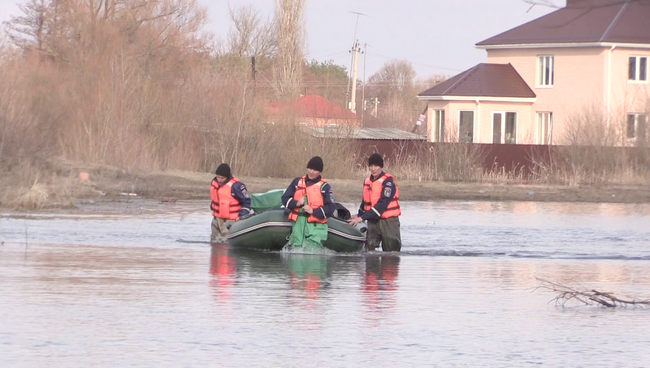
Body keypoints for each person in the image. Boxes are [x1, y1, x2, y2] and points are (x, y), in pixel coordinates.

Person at [348, 153, 402, 252]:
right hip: (372, 220)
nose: (373, 168)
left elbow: (382, 204)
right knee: (369, 250)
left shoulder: (388, 182)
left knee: (391, 251)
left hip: (388, 221)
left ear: (381, 167)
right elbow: (365, 201)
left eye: (376, 166)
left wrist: (362, 218)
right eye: (371, 166)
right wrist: (358, 215)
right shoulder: (367, 181)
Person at [281, 156, 335, 249]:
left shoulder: (325, 187)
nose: (311, 171)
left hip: (315, 227)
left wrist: (313, 211)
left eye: (315, 170)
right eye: (310, 168)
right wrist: (296, 203)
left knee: (313, 251)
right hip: (298, 225)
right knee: (296, 249)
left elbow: (330, 208)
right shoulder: (297, 182)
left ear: (320, 172)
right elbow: (285, 198)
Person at [210, 163, 252, 243]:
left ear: (227, 177)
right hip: (216, 221)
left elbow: (247, 202)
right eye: (218, 177)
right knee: (214, 244)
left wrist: (242, 216)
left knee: (227, 245)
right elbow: (215, 199)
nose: (219, 180)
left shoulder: (236, 186)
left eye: (222, 178)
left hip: (230, 222)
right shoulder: (214, 183)